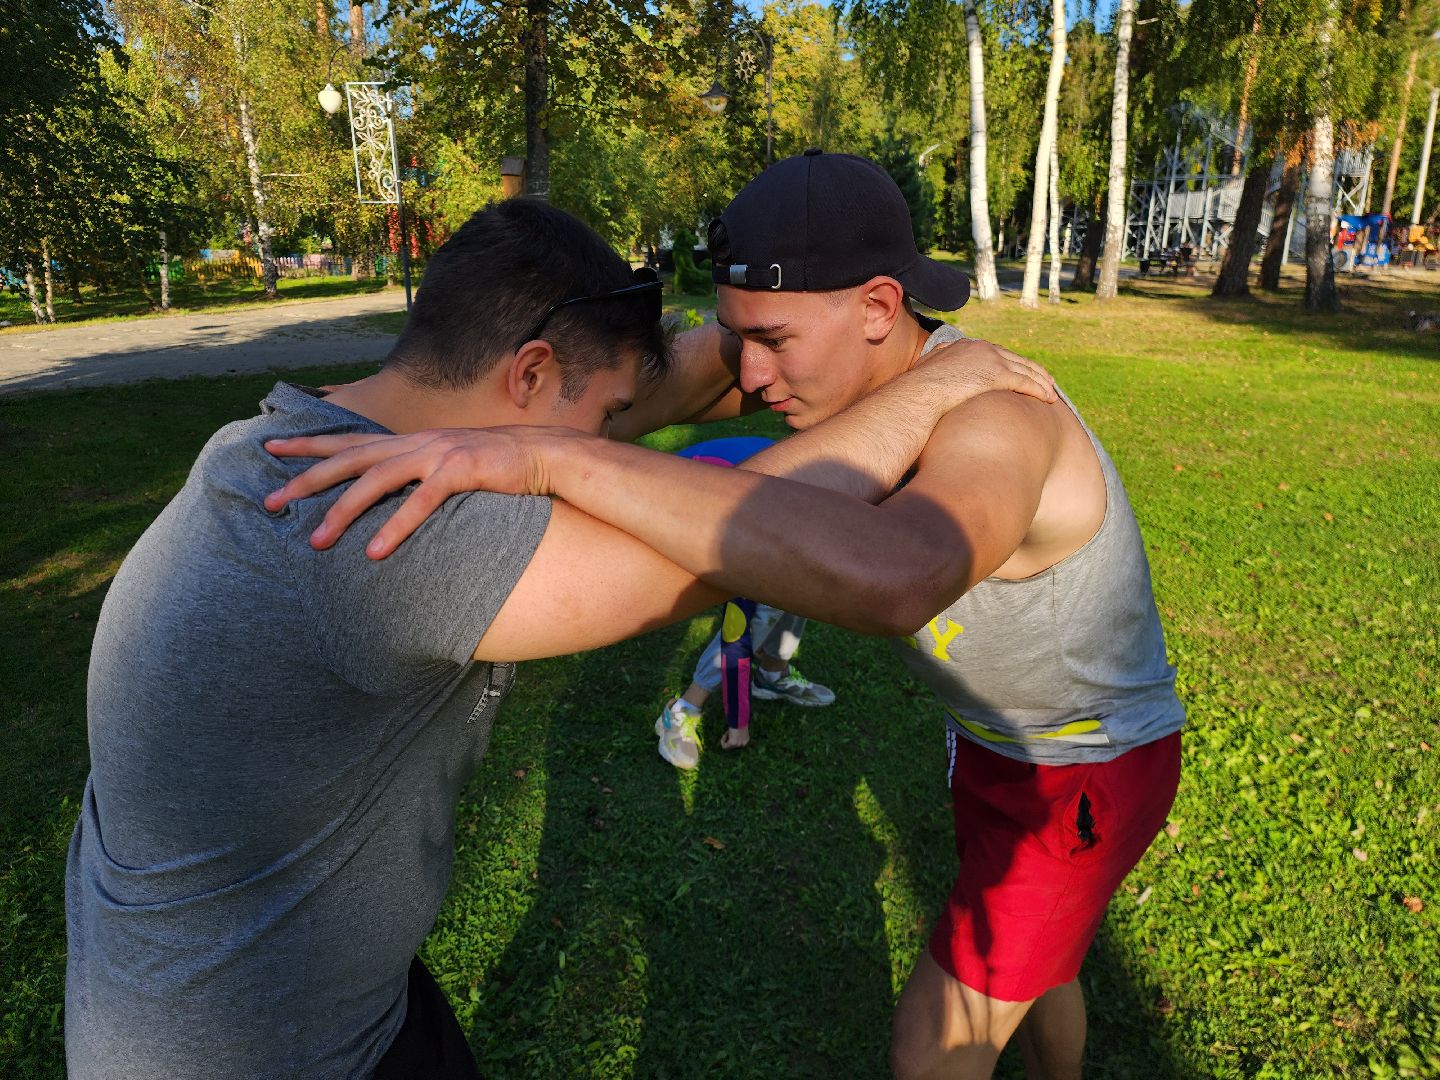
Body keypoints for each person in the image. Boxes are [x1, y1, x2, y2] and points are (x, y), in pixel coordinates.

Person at [66, 193, 1052, 1079]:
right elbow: (749, 542)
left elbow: (662, 386)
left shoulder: (291, 440)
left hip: (330, 1005)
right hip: (254, 1053)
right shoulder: (375, 532)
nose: (615, 440)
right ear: (530, 373)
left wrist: (795, 342)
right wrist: (933, 384)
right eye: (609, 416)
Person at [269, 150, 1185, 1080]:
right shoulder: (818, 358)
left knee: (932, 1046)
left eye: (774, 340)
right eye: (736, 334)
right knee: (1036, 957)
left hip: (1085, 764)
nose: (749, 370)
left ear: (878, 307)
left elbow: (906, 573)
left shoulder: (998, 417)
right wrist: (415, 421)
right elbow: (611, 394)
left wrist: (556, 462)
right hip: (993, 744)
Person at [656, 434, 836, 769]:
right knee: (761, 609)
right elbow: (737, 631)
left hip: (740, 499)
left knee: (799, 588)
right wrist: (739, 721)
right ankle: (682, 709)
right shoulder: (769, 518)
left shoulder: (824, 501)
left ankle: (772, 674)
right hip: (678, 500)